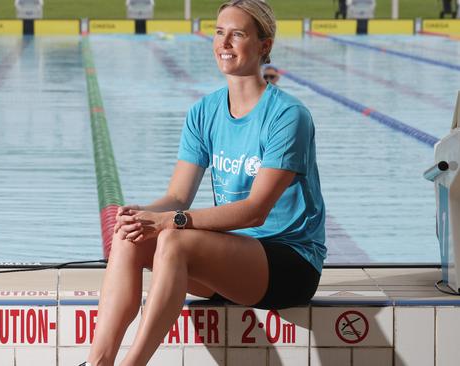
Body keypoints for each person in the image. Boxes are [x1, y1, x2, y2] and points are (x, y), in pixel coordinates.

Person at [82, 1, 326, 365]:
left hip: (288, 263)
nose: (224, 42)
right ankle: (97, 362)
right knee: (128, 234)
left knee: (174, 240)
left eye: (238, 34)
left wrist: (170, 221)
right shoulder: (204, 112)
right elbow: (178, 195)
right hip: (228, 260)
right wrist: (139, 213)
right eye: (219, 32)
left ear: (264, 45)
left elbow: (255, 211)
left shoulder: (288, 116)